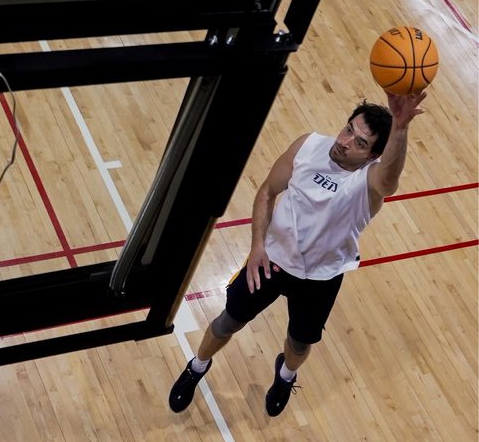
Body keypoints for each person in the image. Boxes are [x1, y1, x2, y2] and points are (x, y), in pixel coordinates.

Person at [169, 91, 427, 416]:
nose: (345, 141)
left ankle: (286, 375)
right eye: (349, 129)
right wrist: (258, 246)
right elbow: (267, 191)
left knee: (300, 344)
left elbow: (389, 180)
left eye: (360, 143)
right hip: (270, 262)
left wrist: (400, 128)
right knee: (226, 323)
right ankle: (197, 366)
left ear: (372, 156)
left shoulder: (369, 183)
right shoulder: (308, 145)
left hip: (320, 279)